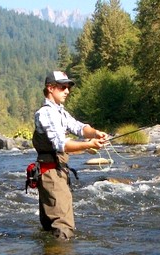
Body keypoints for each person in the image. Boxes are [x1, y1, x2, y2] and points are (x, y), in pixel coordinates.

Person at [32, 71, 109, 240]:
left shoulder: (60, 112)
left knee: (51, 228)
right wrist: (89, 144)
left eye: (68, 87)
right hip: (51, 175)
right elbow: (62, 144)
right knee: (63, 228)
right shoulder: (47, 113)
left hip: (57, 173)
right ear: (50, 88)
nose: (67, 91)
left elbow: (79, 127)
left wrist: (95, 133)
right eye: (63, 87)